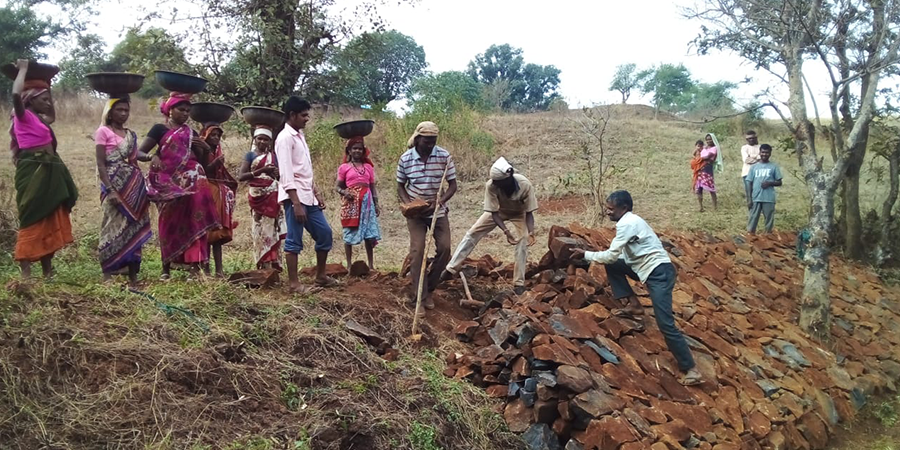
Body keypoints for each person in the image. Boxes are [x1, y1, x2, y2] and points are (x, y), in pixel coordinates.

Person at [571, 190, 702, 386]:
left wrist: (586, 254)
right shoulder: (631, 221)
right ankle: (634, 305)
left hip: (659, 274)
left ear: (624, 208)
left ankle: (691, 368)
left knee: (665, 323)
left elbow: (610, 255)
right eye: (607, 208)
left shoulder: (627, 224)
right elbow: (620, 258)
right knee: (614, 266)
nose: (608, 212)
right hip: (646, 268)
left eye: (611, 209)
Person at [9, 59, 78, 278]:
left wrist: (48, 88)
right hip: (33, 171)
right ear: (31, 99)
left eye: (49, 99)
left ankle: (48, 270)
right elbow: (16, 95)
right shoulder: (23, 116)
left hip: (50, 169)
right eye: (44, 99)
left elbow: (52, 116)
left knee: (49, 215)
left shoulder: (40, 118)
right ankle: (26, 273)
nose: (48, 103)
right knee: (32, 216)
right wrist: (23, 70)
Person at [140, 92, 219, 279]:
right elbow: (139, 152)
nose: (185, 114)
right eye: (181, 110)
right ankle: (166, 268)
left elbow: (200, 161)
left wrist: (204, 149)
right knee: (168, 221)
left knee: (194, 220)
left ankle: (194, 266)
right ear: (170, 110)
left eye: (188, 111)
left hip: (193, 183)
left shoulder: (191, 133)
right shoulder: (159, 129)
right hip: (167, 183)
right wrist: (152, 156)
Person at [443, 157, 537, 295]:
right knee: (473, 233)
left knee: (523, 240)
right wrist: (506, 231)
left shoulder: (525, 185)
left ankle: (519, 283)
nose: (497, 185)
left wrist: (531, 232)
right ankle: (451, 269)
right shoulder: (491, 185)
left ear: (508, 178)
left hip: (519, 214)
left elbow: (529, 213)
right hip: (499, 212)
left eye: (500, 183)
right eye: (495, 182)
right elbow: (493, 213)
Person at [275, 96, 336, 294]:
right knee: (294, 240)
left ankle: (321, 276)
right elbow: (286, 174)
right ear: (292, 115)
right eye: (303, 115)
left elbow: (304, 169)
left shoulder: (299, 136)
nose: (307, 118)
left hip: (308, 195)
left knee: (324, 233)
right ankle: (294, 284)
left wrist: (315, 192)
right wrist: (296, 203)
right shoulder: (285, 138)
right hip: (295, 198)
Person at [396, 121, 457, 311]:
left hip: (438, 211)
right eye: (426, 141)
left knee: (445, 248)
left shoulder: (444, 156)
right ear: (417, 139)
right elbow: (400, 186)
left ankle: (428, 287)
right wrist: (409, 205)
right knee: (418, 251)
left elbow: (453, 185)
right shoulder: (406, 159)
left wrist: (440, 201)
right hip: (416, 214)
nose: (430, 145)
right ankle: (419, 298)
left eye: (433, 141)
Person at [94, 95, 152, 286]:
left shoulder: (130, 135)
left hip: (133, 185)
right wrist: (110, 190)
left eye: (126, 110)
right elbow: (101, 164)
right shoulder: (103, 131)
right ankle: (108, 274)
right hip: (113, 184)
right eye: (119, 110)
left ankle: (133, 276)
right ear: (110, 113)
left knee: (134, 227)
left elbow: (134, 161)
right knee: (111, 226)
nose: (123, 113)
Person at [238, 126, 285, 270]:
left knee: (272, 228)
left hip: (272, 195)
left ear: (270, 142)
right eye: (260, 139)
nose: (262, 142)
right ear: (255, 139)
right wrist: (262, 170)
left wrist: (275, 173)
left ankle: (273, 262)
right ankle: (263, 262)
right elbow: (241, 176)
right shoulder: (250, 156)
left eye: (266, 139)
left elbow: (279, 177)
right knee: (259, 229)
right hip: (257, 196)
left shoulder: (273, 157)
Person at [336, 136, 382, 270]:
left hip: (367, 203)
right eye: (354, 148)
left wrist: (376, 204)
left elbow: (372, 187)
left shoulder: (368, 167)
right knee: (349, 231)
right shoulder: (344, 167)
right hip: (351, 203)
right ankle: (349, 265)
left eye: (360, 149)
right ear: (349, 151)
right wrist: (345, 193)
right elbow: (337, 187)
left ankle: (371, 265)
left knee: (369, 234)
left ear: (363, 151)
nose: (357, 151)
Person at [200, 123, 239, 277]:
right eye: (213, 135)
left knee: (218, 232)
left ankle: (219, 270)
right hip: (207, 190)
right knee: (207, 230)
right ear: (206, 136)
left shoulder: (218, 151)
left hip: (219, 191)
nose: (216, 138)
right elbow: (202, 170)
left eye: (218, 135)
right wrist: (216, 163)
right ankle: (206, 268)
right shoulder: (203, 150)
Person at [746, 144, 782, 234]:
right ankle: (750, 235)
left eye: (767, 152)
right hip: (756, 197)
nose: (764, 154)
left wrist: (769, 183)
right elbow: (749, 182)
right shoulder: (754, 167)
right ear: (759, 152)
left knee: (769, 219)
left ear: (770, 153)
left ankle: (768, 236)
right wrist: (749, 199)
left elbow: (779, 182)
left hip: (768, 198)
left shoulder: (774, 166)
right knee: (753, 218)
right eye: (763, 152)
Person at [693, 134, 719, 211]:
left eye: (710, 139)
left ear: (713, 139)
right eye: (707, 139)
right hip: (700, 170)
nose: (708, 141)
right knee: (699, 189)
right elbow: (695, 153)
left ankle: (715, 207)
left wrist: (699, 158)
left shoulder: (714, 148)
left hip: (707, 170)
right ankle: (701, 207)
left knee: (711, 188)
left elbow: (708, 156)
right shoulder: (705, 148)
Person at [740, 130, 761, 204]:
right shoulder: (744, 148)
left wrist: (751, 156)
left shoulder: (760, 147)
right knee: (749, 194)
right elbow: (746, 160)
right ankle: (751, 208)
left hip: (759, 172)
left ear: (756, 138)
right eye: (749, 138)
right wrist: (757, 158)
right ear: (747, 139)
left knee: (758, 192)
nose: (751, 140)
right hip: (747, 173)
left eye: (753, 138)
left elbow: (763, 158)